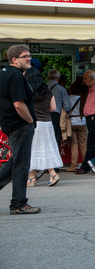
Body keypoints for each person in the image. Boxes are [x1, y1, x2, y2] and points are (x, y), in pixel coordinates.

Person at [0, 44, 40, 215]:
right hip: (20, 125)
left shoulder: (4, 73)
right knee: (21, 165)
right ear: (14, 60)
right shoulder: (16, 76)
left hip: (10, 124)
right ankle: (18, 203)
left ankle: (18, 202)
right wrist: (30, 120)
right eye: (25, 56)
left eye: (29, 55)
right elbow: (19, 104)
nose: (29, 58)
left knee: (15, 161)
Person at [26, 68, 62, 187]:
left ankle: (32, 177)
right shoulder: (48, 92)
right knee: (48, 148)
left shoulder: (27, 91)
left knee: (32, 149)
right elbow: (53, 108)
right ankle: (52, 173)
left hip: (34, 123)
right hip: (47, 123)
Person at [47, 69, 71, 174]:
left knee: (44, 140)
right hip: (55, 116)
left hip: (42, 116)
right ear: (58, 78)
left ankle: (44, 166)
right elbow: (67, 106)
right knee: (55, 140)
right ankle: (54, 166)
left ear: (48, 78)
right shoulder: (61, 89)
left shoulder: (41, 88)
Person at [67, 79, 87, 172]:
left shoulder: (68, 98)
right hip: (81, 121)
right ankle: (85, 164)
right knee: (83, 145)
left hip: (71, 122)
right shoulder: (82, 98)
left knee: (74, 145)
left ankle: (73, 166)